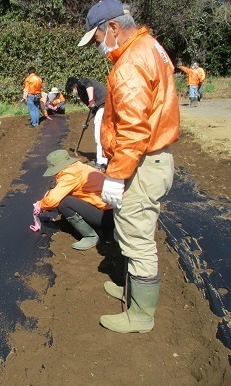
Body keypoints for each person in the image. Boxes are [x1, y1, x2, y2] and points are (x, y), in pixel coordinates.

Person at [78, 0, 179, 333]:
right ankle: (132, 290)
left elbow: (134, 130)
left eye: (97, 39)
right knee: (137, 226)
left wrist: (116, 176)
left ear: (113, 28)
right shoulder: (150, 47)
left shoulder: (131, 64)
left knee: (136, 234)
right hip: (152, 157)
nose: (98, 46)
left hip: (142, 161)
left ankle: (141, 315)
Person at [33, 149, 114, 250]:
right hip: (115, 211)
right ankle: (98, 228)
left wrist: (41, 204)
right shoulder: (79, 167)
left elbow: (52, 200)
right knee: (65, 195)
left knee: (64, 202)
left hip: (107, 217)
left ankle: (91, 236)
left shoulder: (69, 175)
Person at [65, 77, 108, 170]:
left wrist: (91, 100)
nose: (73, 93)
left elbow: (88, 83)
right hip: (103, 108)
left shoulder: (81, 83)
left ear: (74, 87)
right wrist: (87, 120)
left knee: (99, 136)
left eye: (72, 91)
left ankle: (101, 163)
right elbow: (93, 110)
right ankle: (105, 160)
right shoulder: (83, 95)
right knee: (104, 135)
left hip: (105, 105)